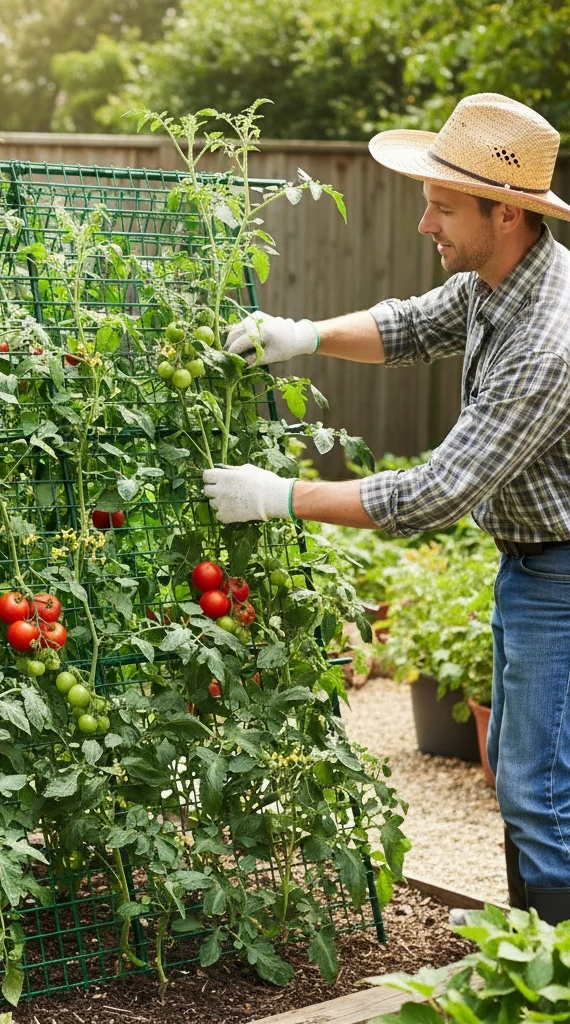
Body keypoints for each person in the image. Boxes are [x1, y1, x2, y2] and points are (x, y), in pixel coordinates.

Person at [202, 93, 570, 925]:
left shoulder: (548, 342)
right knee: (527, 771)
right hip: (535, 565)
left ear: (506, 212)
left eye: (442, 207)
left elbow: (436, 493)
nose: (424, 222)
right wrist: (303, 333)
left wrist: (279, 497)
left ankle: (549, 973)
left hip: (560, 573)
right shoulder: (499, 282)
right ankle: (526, 952)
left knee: (539, 787)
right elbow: (410, 326)